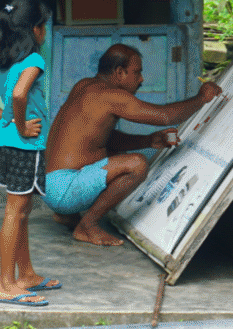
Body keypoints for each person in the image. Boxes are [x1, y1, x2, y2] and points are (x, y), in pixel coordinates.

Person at [44, 43, 223, 247]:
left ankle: (66, 215)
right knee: (137, 164)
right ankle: (88, 225)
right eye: (137, 72)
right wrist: (202, 98)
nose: (141, 79)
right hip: (66, 190)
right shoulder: (112, 96)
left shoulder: (84, 85)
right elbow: (165, 117)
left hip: (50, 186)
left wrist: (147, 140)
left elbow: (102, 139)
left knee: (110, 153)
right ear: (119, 72)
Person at [0, 0, 61, 307]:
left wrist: (4, 119)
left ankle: (27, 274)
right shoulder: (34, 60)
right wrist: (20, 126)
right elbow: (20, 94)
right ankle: (5, 284)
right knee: (15, 212)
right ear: (35, 30)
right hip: (25, 145)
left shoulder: (2, 61)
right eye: (44, 26)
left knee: (21, 211)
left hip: (5, 143)